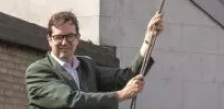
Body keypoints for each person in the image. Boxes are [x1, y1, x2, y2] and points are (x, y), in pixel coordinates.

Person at [26, 10, 164, 109]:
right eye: (58, 37)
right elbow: (70, 101)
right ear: (49, 40)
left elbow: (128, 77)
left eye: (69, 36)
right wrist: (121, 95)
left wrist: (149, 39)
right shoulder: (37, 71)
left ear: (77, 39)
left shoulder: (87, 66)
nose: (64, 42)